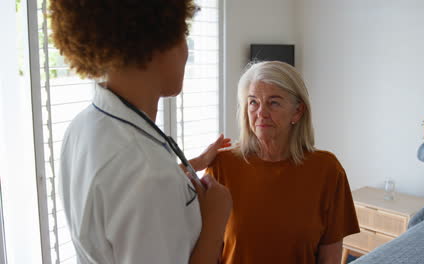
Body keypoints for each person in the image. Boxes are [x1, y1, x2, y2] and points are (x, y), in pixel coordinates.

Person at [50, 0, 232, 263]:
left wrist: (196, 164)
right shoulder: (148, 172)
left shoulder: (83, 126)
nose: (185, 52)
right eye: (184, 34)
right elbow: (145, 182)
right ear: (156, 42)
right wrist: (215, 223)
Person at [206, 61, 360, 264]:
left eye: (274, 102)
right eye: (253, 102)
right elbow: (208, 254)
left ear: (297, 112)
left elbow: (329, 257)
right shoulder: (221, 166)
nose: (261, 112)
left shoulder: (328, 170)